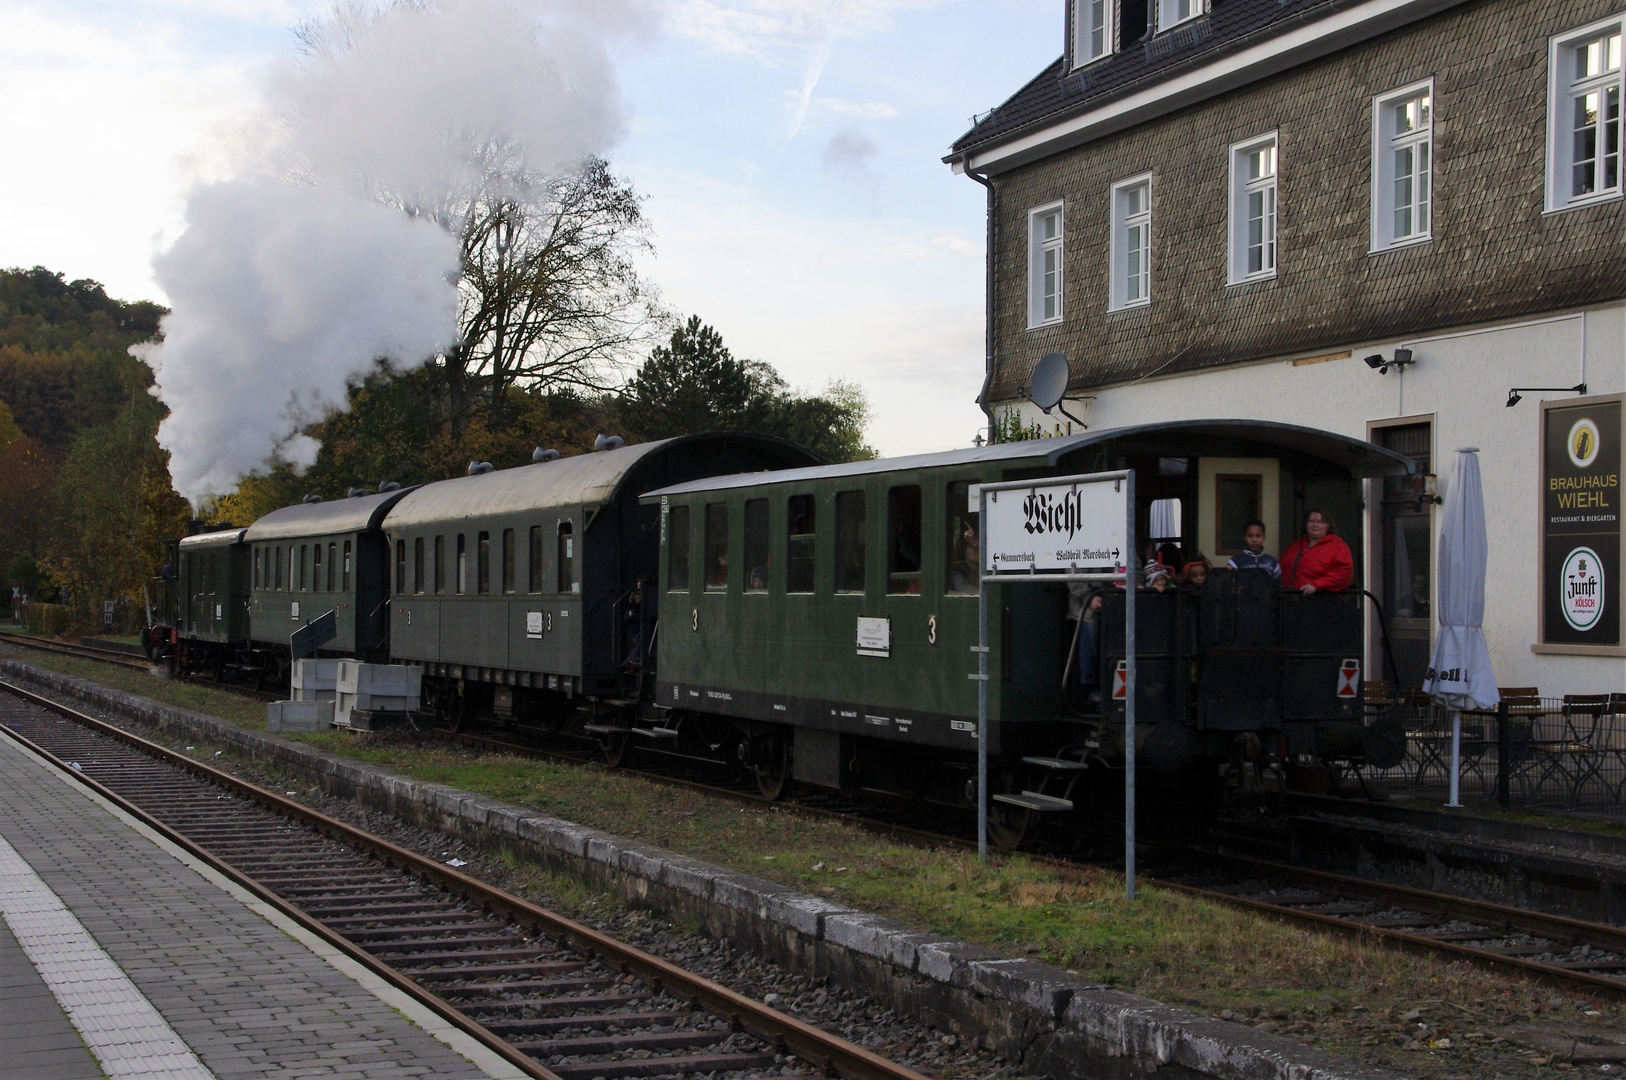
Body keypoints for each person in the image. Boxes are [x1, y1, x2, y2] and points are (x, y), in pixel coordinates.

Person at [1280, 509, 1353, 594]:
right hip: (1291, 598)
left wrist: (1316, 585)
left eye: (1320, 522)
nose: (1315, 525)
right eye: (1311, 521)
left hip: (1321, 599)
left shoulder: (1338, 547)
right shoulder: (1295, 546)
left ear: (1328, 525)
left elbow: (1343, 574)